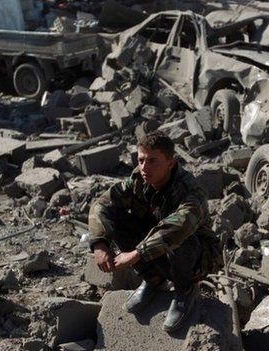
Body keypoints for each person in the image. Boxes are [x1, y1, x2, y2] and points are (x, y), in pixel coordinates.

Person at [88, 130, 221, 332]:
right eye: (141, 160)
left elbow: (179, 227)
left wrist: (136, 254)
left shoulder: (191, 190)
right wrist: (99, 243)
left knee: (180, 238)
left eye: (152, 161)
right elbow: (103, 203)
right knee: (120, 218)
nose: (144, 167)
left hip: (196, 254)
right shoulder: (139, 181)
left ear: (170, 162)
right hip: (159, 249)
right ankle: (154, 279)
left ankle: (185, 291)